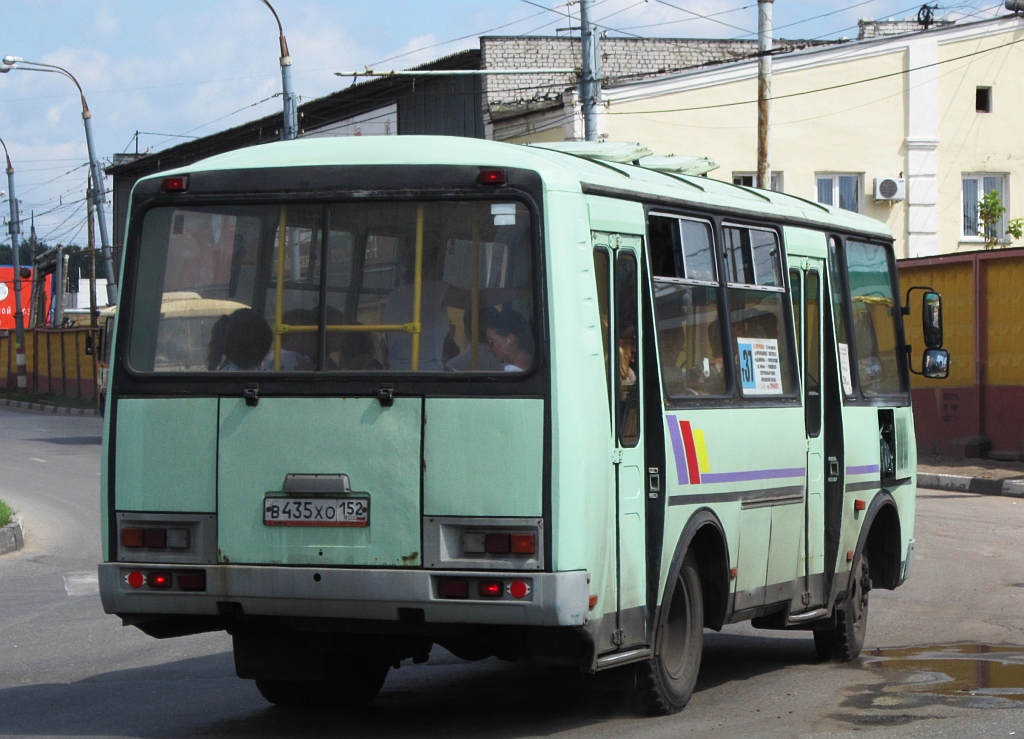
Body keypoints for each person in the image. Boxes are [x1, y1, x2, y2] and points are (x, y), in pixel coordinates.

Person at [485, 307, 533, 372]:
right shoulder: (534, 367)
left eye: (491, 342)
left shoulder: (510, 373)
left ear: (510, 339)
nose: (489, 349)